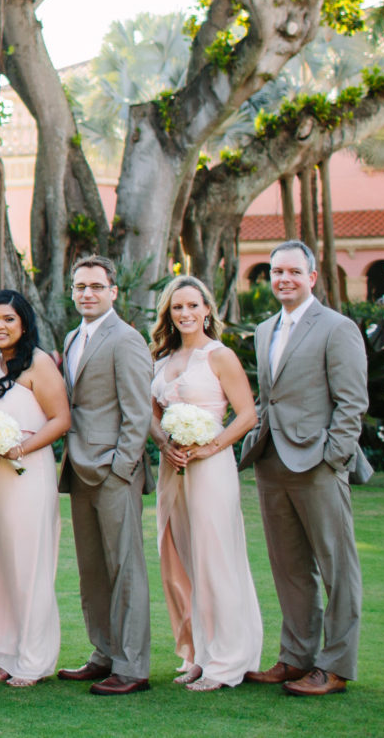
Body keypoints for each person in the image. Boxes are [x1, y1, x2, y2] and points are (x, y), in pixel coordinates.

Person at [243, 240, 368, 698]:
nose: (284, 280)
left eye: (294, 272)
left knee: (338, 568)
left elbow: (353, 402)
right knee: (289, 567)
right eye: (277, 272)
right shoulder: (263, 329)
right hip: (272, 462)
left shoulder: (337, 328)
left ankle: (334, 666)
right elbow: (267, 396)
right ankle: (296, 658)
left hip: (319, 462)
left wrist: (334, 456)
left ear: (312, 277)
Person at [151, 275, 263, 690]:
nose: (185, 314)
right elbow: (150, 412)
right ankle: (199, 652)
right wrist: (163, 442)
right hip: (172, 469)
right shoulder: (159, 359)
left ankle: (227, 661)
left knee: (215, 558)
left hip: (211, 467)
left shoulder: (220, 356)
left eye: (193, 306)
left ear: (207, 310)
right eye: (177, 307)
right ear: (169, 313)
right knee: (181, 558)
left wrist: (210, 447)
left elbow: (248, 415)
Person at [56, 254, 156, 695]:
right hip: (78, 469)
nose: (87, 293)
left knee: (125, 570)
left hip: (114, 471)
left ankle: (132, 667)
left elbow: (137, 412)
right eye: (80, 286)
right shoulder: (73, 336)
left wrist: (121, 467)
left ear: (113, 292)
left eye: (96, 286)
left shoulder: (127, 339)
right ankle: (104, 653)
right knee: (93, 570)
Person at [0, 290, 70, 687]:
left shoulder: (38, 363)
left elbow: (61, 419)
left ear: (23, 322)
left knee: (28, 566)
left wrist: (20, 447)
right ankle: (8, 653)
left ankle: (35, 660)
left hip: (26, 474)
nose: (0, 326)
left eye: (8, 319)